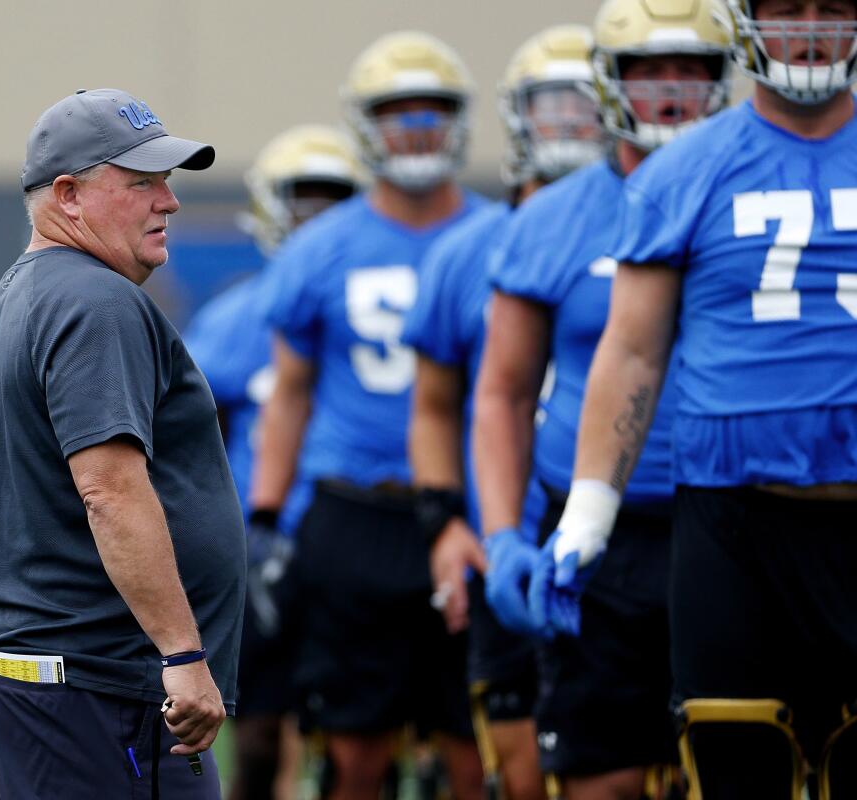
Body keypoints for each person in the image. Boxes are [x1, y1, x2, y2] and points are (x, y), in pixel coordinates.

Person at [525, 0, 857, 796]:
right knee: (732, 760)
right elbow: (632, 352)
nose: (807, 31)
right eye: (786, 10)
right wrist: (588, 513)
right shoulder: (684, 168)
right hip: (730, 522)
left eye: (829, 9)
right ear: (746, 23)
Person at [0, 89, 245, 800]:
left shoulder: (10, 303)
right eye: (142, 182)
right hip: (96, 685)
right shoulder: (94, 301)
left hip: (48, 682)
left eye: (167, 181)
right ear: (68, 194)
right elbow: (109, 491)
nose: (168, 202)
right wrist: (182, 652)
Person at [472, 1, 732, 798]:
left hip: (732, 522)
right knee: (600, 777)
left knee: (734, 763)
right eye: (649, 68)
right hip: (598, 535)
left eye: (691, 67)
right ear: (610, 81)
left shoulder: (749, 183)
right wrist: (503, 534)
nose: (671, 88)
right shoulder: (553, 216)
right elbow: (503, 393)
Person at [251, 31, 489, 800]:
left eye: (433, 108)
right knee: (353, 750)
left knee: (477, 743)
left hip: (474, 506)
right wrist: (265, 511)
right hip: (355, 508)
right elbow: (290, 391)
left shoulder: (500, 234)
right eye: (398, 110)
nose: (417, 125)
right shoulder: (320, 248)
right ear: (367, 125)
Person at [402, 25, 603, 800]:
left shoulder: (656, 219)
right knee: (517, 774)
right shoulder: (467, 248)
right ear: (518, 116)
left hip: (632, 534)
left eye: (585, 104)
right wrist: (446, 521)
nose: (571, 124)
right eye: (553, 106)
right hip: (508, 537)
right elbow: (434, 406)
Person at [183, 124, 366, 800]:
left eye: (333, 200)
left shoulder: (376, 307)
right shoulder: (235, 321)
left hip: (357, 536)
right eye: (302, 200)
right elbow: (195, 443)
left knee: (361, 736)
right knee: (257, 738)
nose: (316, 219)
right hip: (263, 550)